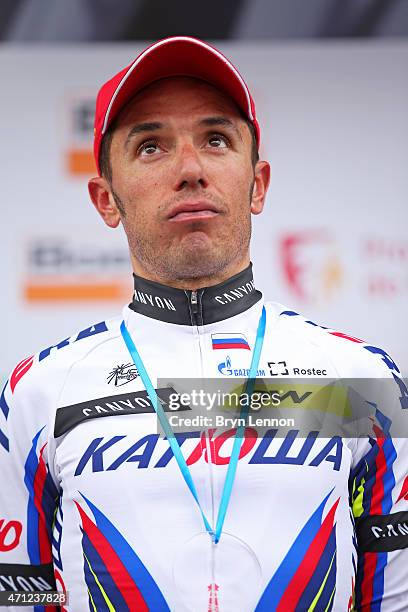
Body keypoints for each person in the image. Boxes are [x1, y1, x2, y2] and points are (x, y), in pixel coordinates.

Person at [1, 36, 407, 612]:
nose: (190, 170)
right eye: (150, 147)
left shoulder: (364, 381)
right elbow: (18, 596)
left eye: (216, 140)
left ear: (258, 183)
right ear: (105, 199)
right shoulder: (36, 393)